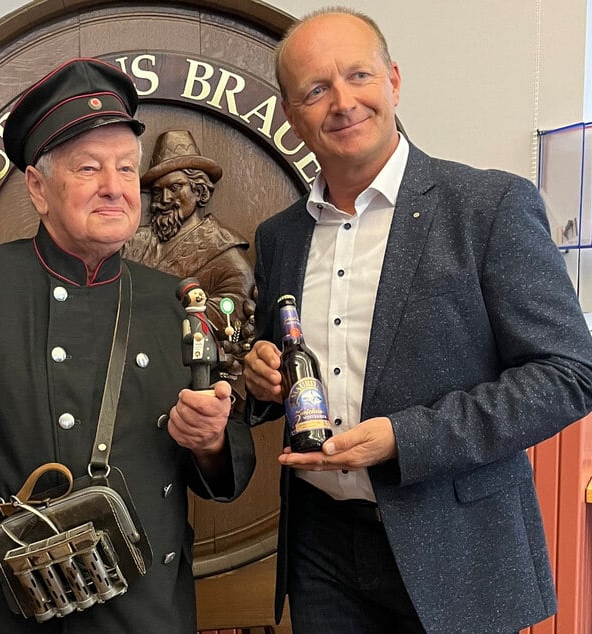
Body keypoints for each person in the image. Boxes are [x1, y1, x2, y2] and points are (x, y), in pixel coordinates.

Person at [243, 8, 592, 634]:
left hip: (458, 547)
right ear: (292, 116)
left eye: (359, 76)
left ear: (394, 80)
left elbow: (567, 374)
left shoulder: (489, 206)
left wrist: (406, 439)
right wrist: (260, 379)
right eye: (316, 90)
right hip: (321, 553)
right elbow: (289, 373)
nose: (343, 102)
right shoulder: (280, 238)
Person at [0, 57, 255, 633]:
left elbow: (225, 462)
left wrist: (210, 441)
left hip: (146, 610)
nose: (115, 188)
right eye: (88, 169)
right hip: (5, 611)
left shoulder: (177, 300)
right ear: (38, 186)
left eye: (126, 168)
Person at [123, 130, 255, 337]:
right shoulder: (133, 242)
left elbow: (230, 314)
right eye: (157, 191)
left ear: (200, 192)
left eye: (175, 187)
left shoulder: (226, 252)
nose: (164, 198)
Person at [177, 277, 221, 390]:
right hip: (197, 354)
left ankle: (204, 390)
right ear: (187, 300)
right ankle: (200, 391)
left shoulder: (205, 317)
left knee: (207, 375)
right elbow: (186, 337)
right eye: (195, 293)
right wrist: (193, 336)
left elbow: (213, 331)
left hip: (208, 353)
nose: (199, 295)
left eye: (200, 292)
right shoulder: (188, 320)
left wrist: (226, 332)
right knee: (199, 377)